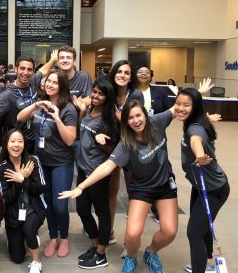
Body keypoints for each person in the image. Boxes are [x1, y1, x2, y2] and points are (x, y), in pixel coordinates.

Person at [60, 99, 179, 273]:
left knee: (169, 232)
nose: (136, 120)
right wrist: (81, 187)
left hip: (164, 187)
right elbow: (107, 166)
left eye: (138, 115)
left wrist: (198, 98)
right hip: (142, 189)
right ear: (125, 122)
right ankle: (131, 257)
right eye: (130, 118)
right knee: (132, 234)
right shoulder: (125, 144)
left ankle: (151, 252)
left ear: (145, 115)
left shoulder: (158, 122)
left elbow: (179, 108)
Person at [16, 70, 78, 258]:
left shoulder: (68, 108)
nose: (50, 85)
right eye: (48, 81)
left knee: (60, 205)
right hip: (41, 163)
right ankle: (53, 237)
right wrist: (36, 105)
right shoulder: (40, 103)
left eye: (54, 82)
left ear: (62, 86)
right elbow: (20, 119)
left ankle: (64, 238)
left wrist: (57, 117)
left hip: (61, 163)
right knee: (47, 203)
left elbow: (70, 140)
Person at [175, 88, 229, 273]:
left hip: (213, 188)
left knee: (194, 232)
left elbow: (195, 140)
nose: (180, 108)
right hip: (199, 184)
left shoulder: (195, 128)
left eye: (186, 105)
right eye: (178, 103)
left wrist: (200, 155)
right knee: (201, 226)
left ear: (195, 107)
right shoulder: (198, 119)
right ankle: (207, 262)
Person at [0, 53, 57, 151]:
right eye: (22, 68)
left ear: (33, 72)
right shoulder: (7, 95)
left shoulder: (33, 82)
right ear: (16, 69)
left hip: (35, 140)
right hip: (17, 144)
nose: (25, 72)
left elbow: (43, 70)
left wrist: (52, 59)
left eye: (29, 69)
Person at [75, 80, 118, 269]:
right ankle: (95, 246)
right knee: (82, 209)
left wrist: (103, 144)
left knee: (102, 213)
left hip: (98, 173)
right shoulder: (88, 112)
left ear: (107, 98)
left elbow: (115, 152)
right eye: (94, 92)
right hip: (83, 170)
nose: (96, 96)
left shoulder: (109, 121)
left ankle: (101, 254)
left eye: (101, 94)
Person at [0, 129, 46, 273]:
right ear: (6, 144)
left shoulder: (33, 160)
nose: (16, 145)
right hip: (13, 214)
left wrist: (23, 180)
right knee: (17, 258)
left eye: (20, 141)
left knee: (29, 229)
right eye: (12, 141)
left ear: (24, 144)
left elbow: (40, 189)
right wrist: (19, 181)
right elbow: (7, 198)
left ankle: (36, 261)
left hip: (34, 208)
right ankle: (21, 236)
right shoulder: (1, 167)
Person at [107, 60, 144, 242]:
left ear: (131, 78)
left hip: (132, 147)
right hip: (112, 146)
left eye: (127, 73)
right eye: (119, 71)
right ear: (114, 74)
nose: (122, 75)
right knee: (112, 191)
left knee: (133, 192)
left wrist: (117, 115)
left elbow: (136, 122)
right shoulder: (109, 93)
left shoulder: (136, 94)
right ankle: (109, 230)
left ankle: (131, 239)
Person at [135, 65, 171, 223]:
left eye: (146, 73)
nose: (143, 74)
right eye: (140, 72)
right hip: (135, 136)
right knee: (138, 171)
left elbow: (166, 112)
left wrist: (156, 127)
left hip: (155, 135)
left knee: (159, 169)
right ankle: (136, 205)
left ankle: (157, 209)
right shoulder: (131, 92)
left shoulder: (160, 92)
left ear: (151, 77)